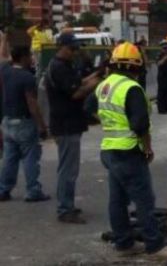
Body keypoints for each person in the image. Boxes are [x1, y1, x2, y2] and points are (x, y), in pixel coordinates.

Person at [96, 42, 167, 261]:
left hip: (109, 150)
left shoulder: (105, 86)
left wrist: (111, 123)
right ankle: (155, 247)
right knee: (144, 200)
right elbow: (140, 125)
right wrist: (148, 149)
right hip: (129, 151)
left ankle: (124, 242)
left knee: (117, 199)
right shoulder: (131, 88)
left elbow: (89, 109)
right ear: (137, 66)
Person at [45, 32, 102, 224]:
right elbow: (77, 93)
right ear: (61, 47)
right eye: (72, 48)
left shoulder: (64, 66)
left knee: (68, 168)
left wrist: (97, 74)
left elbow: (79, 83)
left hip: (69, 123)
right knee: (68, 170)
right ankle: (65, 209)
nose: (75, 52)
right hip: (66, 124)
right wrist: (98, 82)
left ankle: (67, 205)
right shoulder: (59, 67)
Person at [0, 34, 50, 202]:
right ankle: (33, 190)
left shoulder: (5, 71)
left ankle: (3, 189)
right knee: (30, 157)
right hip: (24, 122)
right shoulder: (27, 78)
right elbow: (32, 104)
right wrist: (42, 126)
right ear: (23, 58)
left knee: (9, 158)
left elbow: (3, 56)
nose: (32, 58)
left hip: (7, 122)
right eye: (29, 55)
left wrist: (4, 40)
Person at [155, 42, 167, 114]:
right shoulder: (160, 55)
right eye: (165, 48)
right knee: (161, 93)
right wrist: (164, 59)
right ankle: (161, 109)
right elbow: (158, 64)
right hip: (162, 76)